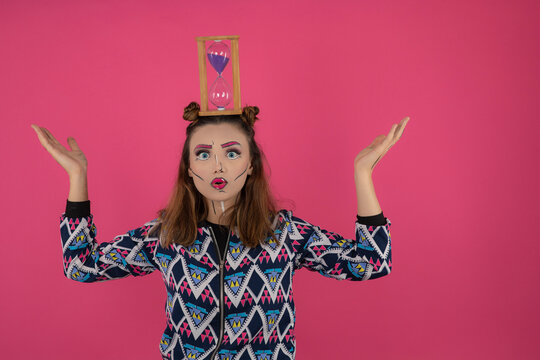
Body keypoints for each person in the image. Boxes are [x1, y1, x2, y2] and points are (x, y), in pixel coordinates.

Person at [31, 102, 409, 360]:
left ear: (250, 167)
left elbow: (371, 262)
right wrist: (77, 177)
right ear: (188, 169)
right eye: (203, 154)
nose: (218, 167)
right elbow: (81, 266)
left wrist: (363, 173)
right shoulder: (165, 236)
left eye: (231, 153)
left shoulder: (285, 234)